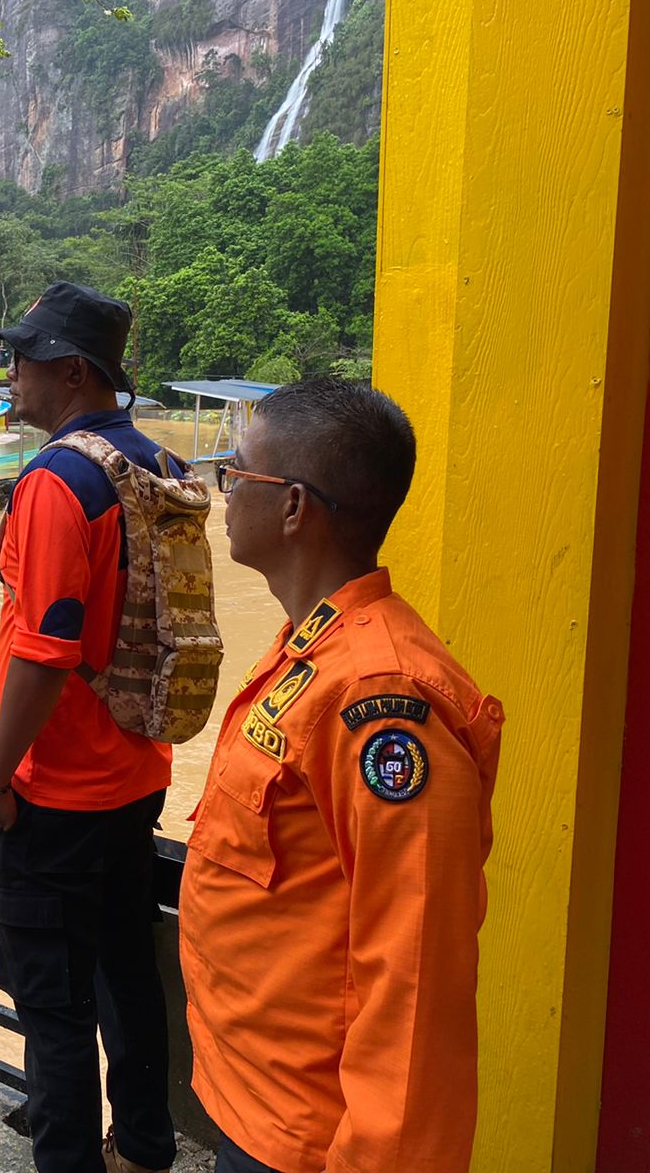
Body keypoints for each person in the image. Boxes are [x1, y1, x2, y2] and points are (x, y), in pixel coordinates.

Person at [179, 378, 504, 1173]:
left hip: (306, 1138)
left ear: (294, 507)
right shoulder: (311, 649)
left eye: (237, 473)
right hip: (249, 1097)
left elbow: (416, 976)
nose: (221, 489)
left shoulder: (383, 703)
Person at [0, 282, 179, 1173]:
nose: (9, 372)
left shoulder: (61, 480)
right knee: (129, 974)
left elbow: (46, 648)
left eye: (21, 358)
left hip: (56, 793)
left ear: (68, 372)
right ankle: (143, 1146)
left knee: (53, 1007)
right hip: (140, 776)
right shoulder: (160, 466)